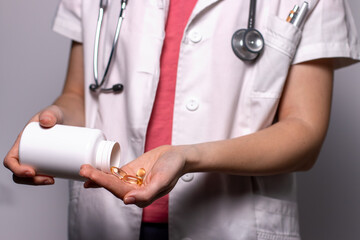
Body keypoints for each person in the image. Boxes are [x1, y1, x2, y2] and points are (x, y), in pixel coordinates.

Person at [3, 0, 360, 239]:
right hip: (104, 220)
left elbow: (305, 133)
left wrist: (189, 155)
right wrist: (54, 122)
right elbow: (81, 95)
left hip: (230, 225)